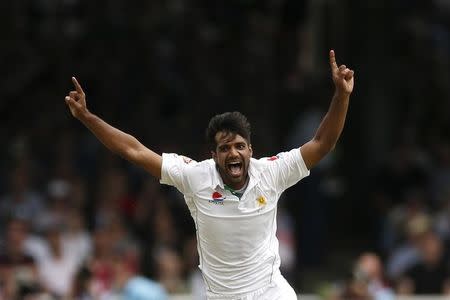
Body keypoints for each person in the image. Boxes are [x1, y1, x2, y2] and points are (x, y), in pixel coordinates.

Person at [64, 49, 354, 299]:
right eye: (225, 148)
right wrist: (88, 118)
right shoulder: (196, 177)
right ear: (213, 155)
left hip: (271, 293)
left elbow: (321, 143)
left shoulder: (272, 172)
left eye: (240, 146)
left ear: (251, 150)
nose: (234, 153)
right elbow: (135, 151)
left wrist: (341, 96)